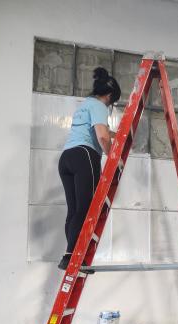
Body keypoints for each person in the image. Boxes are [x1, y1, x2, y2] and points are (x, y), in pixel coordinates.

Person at [57, 67, 121, 270]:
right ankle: (75, 258)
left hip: (67, 158)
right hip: (85, 155)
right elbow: (101, 136)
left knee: (75, 210)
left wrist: (116, 135)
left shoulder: (85, 104)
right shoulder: (99, 106)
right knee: (86, 210)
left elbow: (101, 131)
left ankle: (69, 256)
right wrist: (114, 157)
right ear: (109, 96)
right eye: (112, 103)